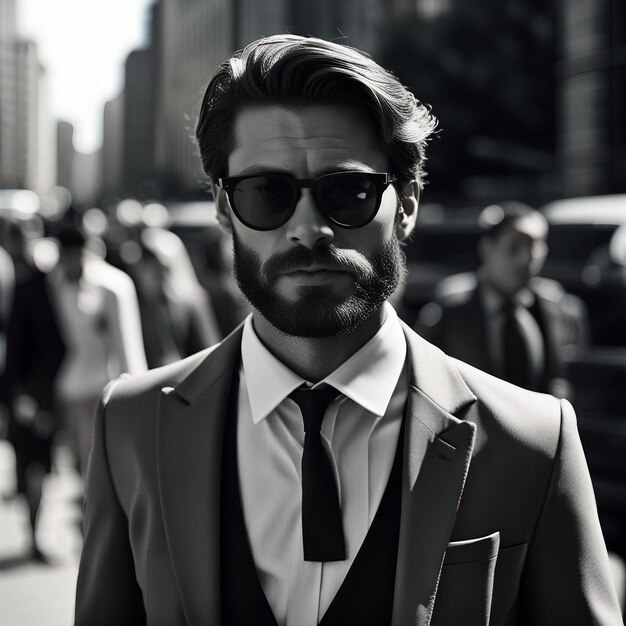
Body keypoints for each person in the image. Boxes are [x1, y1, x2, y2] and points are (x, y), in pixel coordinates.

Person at [74, 35, 622, 625]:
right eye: (266, 193)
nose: (308, 230)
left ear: (406, 202)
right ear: (222, 207)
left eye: (348, 191)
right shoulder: (132, 426)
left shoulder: (533, 441)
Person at [416, 202, 589, 396]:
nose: (525, 258)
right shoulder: (448, 312)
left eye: (534, 247)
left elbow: (573, 380)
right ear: (487, 248)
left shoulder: (561, 309)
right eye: (513, 247)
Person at [50, 224, 147, 476]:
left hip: (106, 388)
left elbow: (128, 344)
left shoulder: (113, 286)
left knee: (107, 464)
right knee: (82, 464)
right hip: (70, 388)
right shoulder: (54, 281)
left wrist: (135, 392)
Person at [0, 218, 66, 562]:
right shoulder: (19, 282)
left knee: (37, 466)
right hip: (21, 391)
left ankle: (36, 536)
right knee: (28, 465)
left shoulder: (41, 283)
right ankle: (34, 535)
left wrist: (29, 393)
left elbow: (51, 343)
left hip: (40, 391)